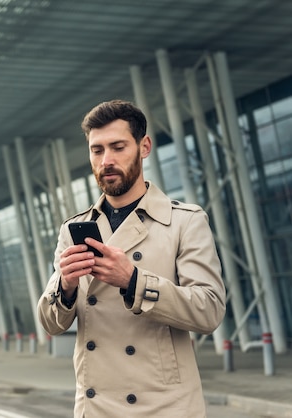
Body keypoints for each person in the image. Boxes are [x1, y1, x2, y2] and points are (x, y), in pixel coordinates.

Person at [37, 100, 226, 417]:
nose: (106, 160)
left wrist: (133, 281)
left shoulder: (185, 221)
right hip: (95, 407)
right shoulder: (73, 229)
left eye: (118, 147)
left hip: (164, 407)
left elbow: (209, 311)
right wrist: (66, 285)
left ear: (144, 146)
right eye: (97, 150)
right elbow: (51, 324)